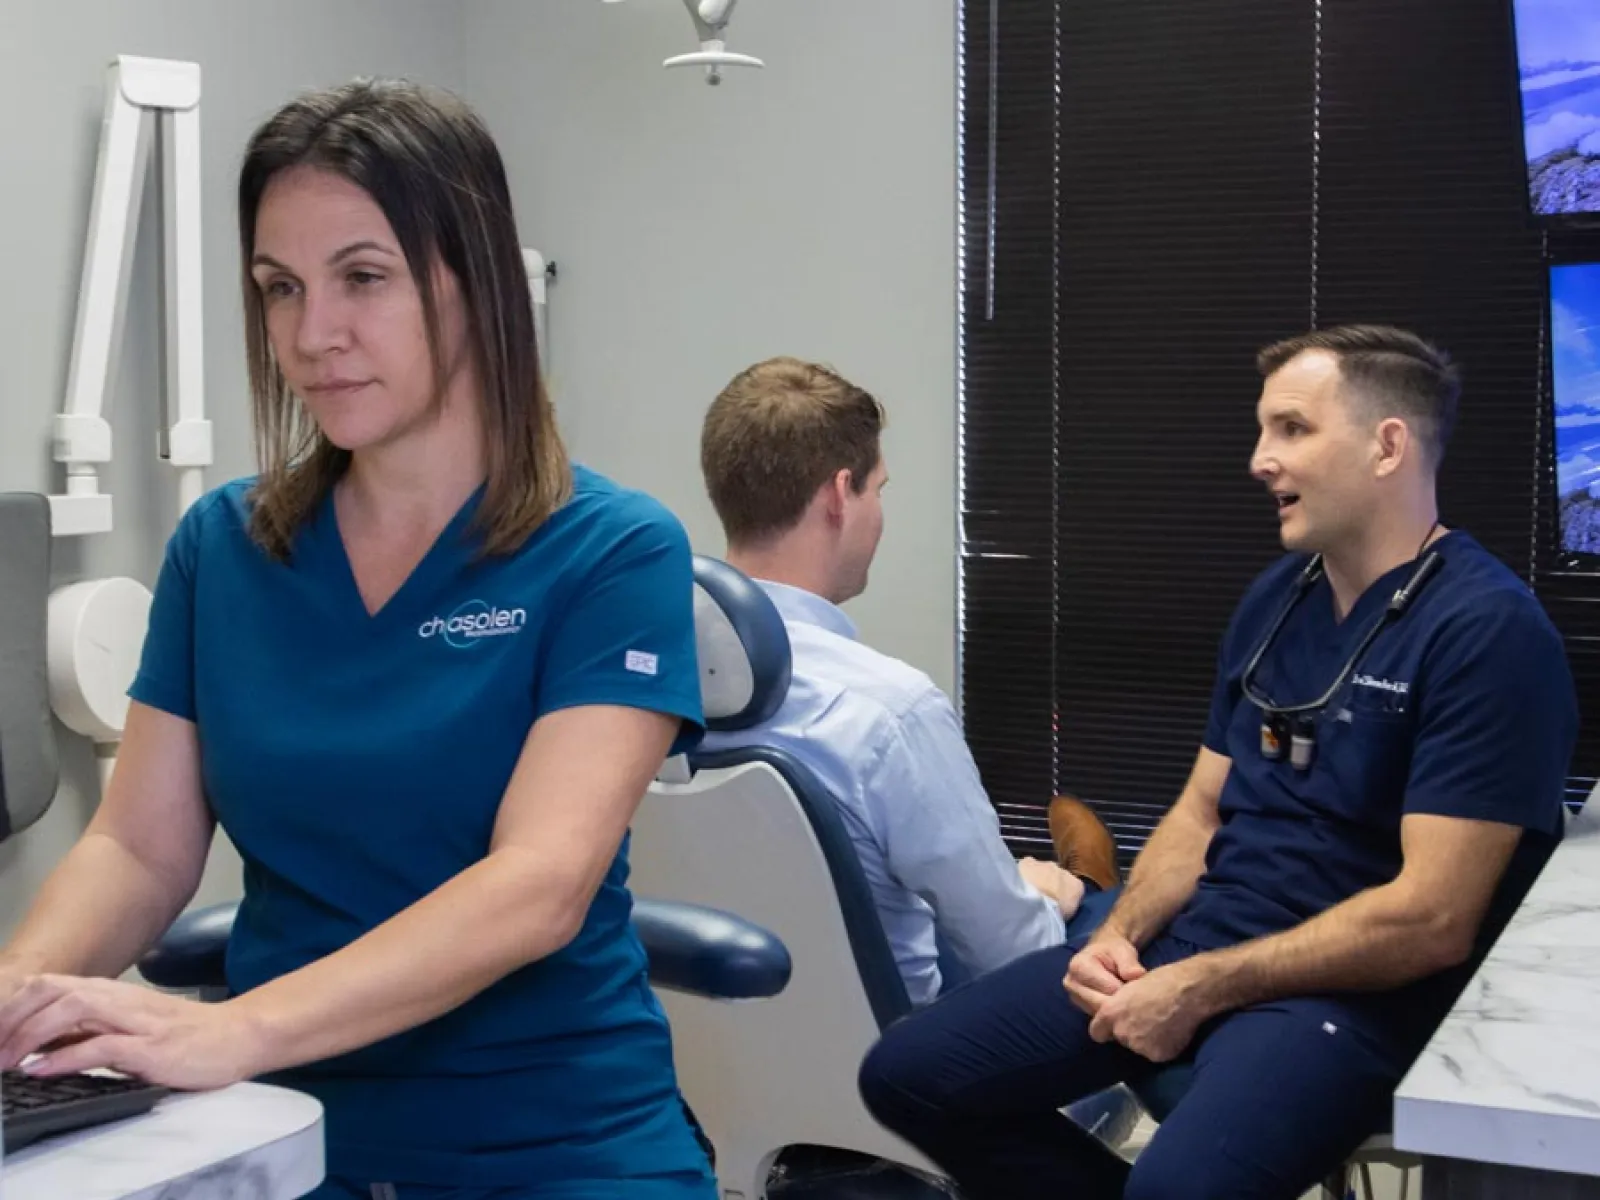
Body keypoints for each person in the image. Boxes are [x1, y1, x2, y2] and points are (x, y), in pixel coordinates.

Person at [0, 79, 715, 1199]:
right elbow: (138, 848)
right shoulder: (223, 548)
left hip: (555, 1138)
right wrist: (20, 990)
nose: (310, 334)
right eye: (278, 288)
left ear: (476, 281)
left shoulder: (611, 551)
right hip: (275, 1128)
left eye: (363, 279)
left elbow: (538, 885)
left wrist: (234, 1030)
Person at [856, 325, 1579, 1199]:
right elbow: (1201, 813)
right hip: (1204, 940)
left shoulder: (1487, 632)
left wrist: (1202, 987)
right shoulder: (1279, 599)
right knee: (906, 1074)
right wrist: (1117, 941)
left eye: (1291, 429)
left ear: (1387, 445)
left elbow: (1432, 918)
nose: (1259, 460)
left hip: (1347, 992)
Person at [696, 356, 1121, 1007]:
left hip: (717, 1049)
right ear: (841, 495)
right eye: (879, 490)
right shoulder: (889, 712)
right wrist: (1046, 901)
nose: (879, 512)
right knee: (1101, 912)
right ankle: (1086, 882)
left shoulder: (634, 684)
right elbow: (1010, 953)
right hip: (898, 1056)